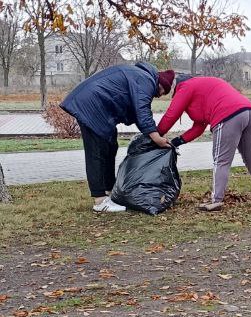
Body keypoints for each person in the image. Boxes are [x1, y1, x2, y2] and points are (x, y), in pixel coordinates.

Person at [61, 62, 175, 212]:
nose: (158, 96)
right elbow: (142, 111)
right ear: (160, 84)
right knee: (97, 151)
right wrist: (156, 138)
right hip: (92, 105)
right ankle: (100, 200)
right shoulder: (146, 80)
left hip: (96, 105)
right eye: (160, 93)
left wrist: (156, 132)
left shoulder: (141, 77)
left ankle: (109, 190)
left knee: (110, 146)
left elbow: (135, 111)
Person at [156, 75, 251, 211]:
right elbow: (199, 126)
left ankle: (216, 200)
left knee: (221, 161)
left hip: (227, 114)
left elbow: (171, 114)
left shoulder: (185, 87)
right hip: (249, 111)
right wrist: (177, 141)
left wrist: (156, 135)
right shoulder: (200, 87)